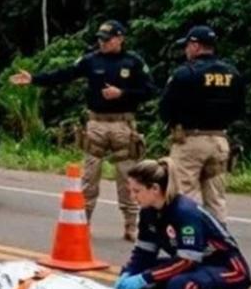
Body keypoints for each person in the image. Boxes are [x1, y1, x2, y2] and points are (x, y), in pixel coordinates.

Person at [10, 20, 157, 241]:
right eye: (100, 39)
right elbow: (64, 74)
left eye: (107, 39)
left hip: (123, 125)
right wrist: (34, 79)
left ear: (120, 39)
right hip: (96, 123)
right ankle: (82, 222)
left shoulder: (133, 62)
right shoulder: (91, 60)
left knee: (128, 178)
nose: (102, 43)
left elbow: (151, 90)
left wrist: (123, 93)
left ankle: (130, 225)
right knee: (89, 178)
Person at [115, 159, 251, 289]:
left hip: (229, 270)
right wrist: (129, 272)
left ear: (155, 189)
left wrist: (144, 278)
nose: (132, 197)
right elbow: (143, 253)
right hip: (197, 266)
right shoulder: (149, 213)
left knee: (181, 285)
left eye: (137, 191)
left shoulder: (184, 212)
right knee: (141, 272)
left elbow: (187, 261)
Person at [159, 25, 244, 224]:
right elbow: (239, 109)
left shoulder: (184, 73)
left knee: (185, 195)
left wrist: (174, 123)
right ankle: (219, 243)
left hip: (190, 141)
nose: (186, 50)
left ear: (196, 46)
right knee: (216, 198)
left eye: (188, 46)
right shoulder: (232, 73)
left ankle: (190, 244)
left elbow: (165, 108)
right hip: (220, 140)